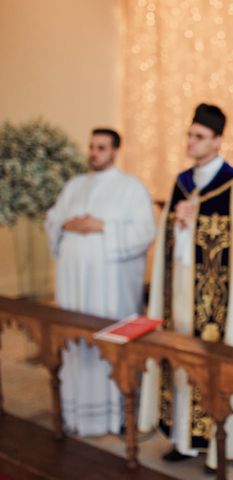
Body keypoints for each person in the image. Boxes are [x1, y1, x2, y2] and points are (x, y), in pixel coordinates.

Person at [138, 103, 233, 472]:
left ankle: (217, 443)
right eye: (189, 135)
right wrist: (178, 225)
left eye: (199, 137)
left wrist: (194, 223)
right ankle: (184, 437)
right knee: (178, 355)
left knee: (208, 358)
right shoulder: (182, 182)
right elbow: (170, 239)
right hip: (178, 290)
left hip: (216, 303)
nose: (190, 142)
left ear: (217, 141)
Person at [45, 128, 156, 436]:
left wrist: (101, 226)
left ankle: (116, 414)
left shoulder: (131, 188)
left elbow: (145, 232)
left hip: (109, 292)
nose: (93, 152)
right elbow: (53, 219)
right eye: (91, 146)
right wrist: (68, 223)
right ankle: (75, 410)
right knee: (74, 341)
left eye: (101, 147)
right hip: (74, 288)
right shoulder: (74, 185)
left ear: (115, 151)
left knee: (107, 341)